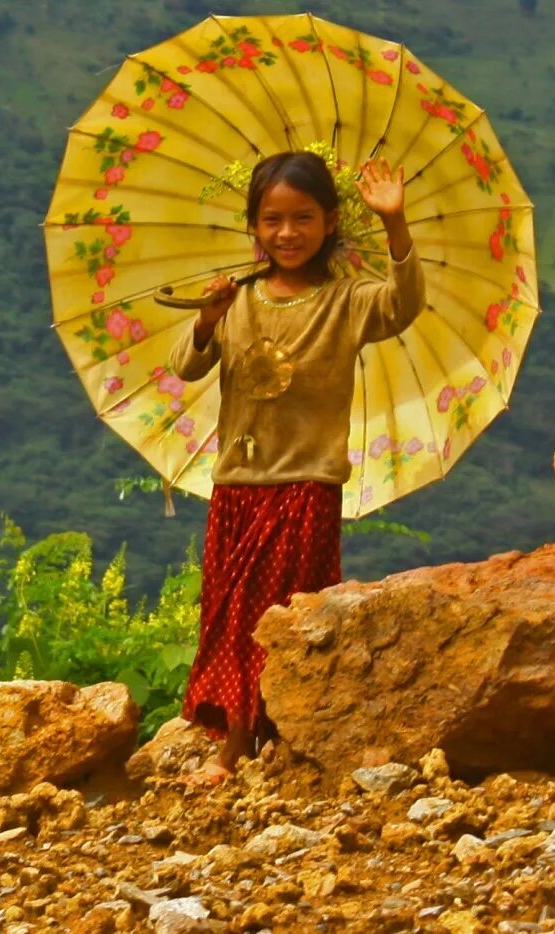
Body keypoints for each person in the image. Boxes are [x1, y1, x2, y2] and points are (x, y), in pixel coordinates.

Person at [169, 151, 423, 780]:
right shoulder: (237, 298)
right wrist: (206, 320)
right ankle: (239, 736)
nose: (288, 233)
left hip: (307, 484)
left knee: (285, 615)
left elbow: (403, 304)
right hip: (237, 485)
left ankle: (260, 741)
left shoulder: (348, 301)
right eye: (272, 220)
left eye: (303, 218)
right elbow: (186, 366)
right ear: (253, 226)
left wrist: (394, 223)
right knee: (231, 614)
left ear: (331, 221)